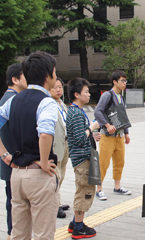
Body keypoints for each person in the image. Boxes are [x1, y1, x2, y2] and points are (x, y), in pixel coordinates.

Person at [0, 52, 59, 240]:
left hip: (16, 174)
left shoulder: (14, 100)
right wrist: (43, 161)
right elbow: (45, 133)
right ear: (48, 76)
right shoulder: (46, 101)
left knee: (19, 233)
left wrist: (4, 155)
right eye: (55, 73)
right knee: (43, 234)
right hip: (38, 175)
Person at [66, 77, 101, 239]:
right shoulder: (77, 113)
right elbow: (80, 139)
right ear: (76, 94)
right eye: (86, 92)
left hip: (80, 157)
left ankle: (75, 222)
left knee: (83, 189)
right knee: (85, 191)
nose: (89, 94)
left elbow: (78, 136)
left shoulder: (74, 111)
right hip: (82, 159)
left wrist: (92, 135)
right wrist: (91, 127)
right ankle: (78, 228)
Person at [94, 70, 131, 200]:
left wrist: (126, 133)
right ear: (114, 82)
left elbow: (123, 116)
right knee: (103, 163)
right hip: (107, 136)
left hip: (119, 136)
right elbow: (97, 112)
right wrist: (107, 125)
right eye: (122, 80)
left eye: (126, 81)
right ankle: (99, 189)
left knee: (119, 162)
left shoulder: (122, 97)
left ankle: (117, 186)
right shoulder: (107, 96)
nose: (125, 83)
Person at [0, 63, 27, 240]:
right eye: (25, 76)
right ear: (15, 79)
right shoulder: (12, 100)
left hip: (11, 162)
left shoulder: (10, 98)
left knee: (14, 202)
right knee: (15, 203)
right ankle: (12, 235)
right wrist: (4, 154)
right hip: (13, 163)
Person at [49, 77, 70, 218]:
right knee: (56, 175)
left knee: (62, 173)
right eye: (55, 87)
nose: (58, 90)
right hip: (55, 144)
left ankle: (58, 200)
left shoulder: (62, 104)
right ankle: (54, 205)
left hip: (65, 142)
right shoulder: (48, 105)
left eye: (60, 87)